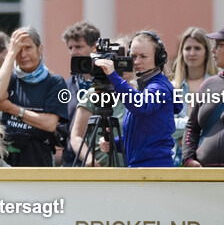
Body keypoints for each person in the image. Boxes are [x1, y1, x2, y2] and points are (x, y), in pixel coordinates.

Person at [96, 31, 181, 167]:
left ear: (158, 58)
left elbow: (141, 105)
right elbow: (139, 137)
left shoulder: (160, 87)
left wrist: (114, 77)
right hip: (139, 168)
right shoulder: (142, 87)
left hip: (155, 169)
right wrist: (114, 143)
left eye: (143, 56)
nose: (136, 62)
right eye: (133, 56)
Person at [0, 27, 69, 166]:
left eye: (28, 48)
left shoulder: (55, 82)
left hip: (38, 158)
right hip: (8, 157)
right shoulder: (9, 78)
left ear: (40, 49)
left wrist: (12, 109)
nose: (23, 55)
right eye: (18, 50)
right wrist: (10, 55)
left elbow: (50, 124)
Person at [68, 35, 131, 167]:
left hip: (131, 170)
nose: (118, 65)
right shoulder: (94, 93)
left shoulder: (139, 95)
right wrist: (90, 161)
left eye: (122, 60)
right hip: (99, 171)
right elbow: (76, 137)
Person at [170, 27, 218, 165]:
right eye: (187, 48)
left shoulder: (217, 86)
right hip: (175, 155)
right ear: (181, 52)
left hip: (207, 156)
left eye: (197, 48)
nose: (192, 53)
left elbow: (216, 126)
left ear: (207, 52)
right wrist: (196, 126)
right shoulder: (171, 87)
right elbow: (166, 124)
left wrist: (184, 128)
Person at [60, 21, 101, 166]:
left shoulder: (111, 84)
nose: (73, 52)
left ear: (95, 46)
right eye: (70, 48)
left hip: (103, 160)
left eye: (78, 47)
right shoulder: (66, 86)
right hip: (72, 161)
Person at [182, 28, 224, 167]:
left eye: (218, 45)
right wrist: (188, 159)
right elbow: (192, 127)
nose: (213, 50)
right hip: (204, 172)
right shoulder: (208, 85)